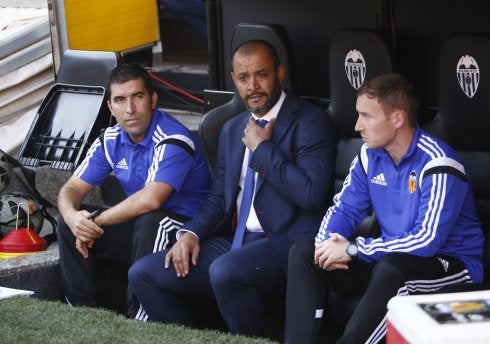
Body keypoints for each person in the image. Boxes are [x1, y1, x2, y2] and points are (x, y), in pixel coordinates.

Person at [128, 39, 338, 337]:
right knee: (143, 274)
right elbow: (218, 197)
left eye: (261, 75)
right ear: (234, 80)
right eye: (243, 78)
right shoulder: (231, 128)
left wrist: (263, 149)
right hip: (235, 242)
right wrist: (191, 232)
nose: (252, 85)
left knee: (227, 270)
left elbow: (310, 193)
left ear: (279, 73)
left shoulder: (311, 122)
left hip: (287, 244)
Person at [284, 73, 485, 343]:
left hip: (451, 267)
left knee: (393, 270)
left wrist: (354, 249)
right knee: (306, 253)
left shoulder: (438, 163)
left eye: (367, 116)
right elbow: (343, 209)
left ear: (397, 118)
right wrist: (326, 245)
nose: (357, 126)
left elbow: (425, 242)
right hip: (390, 258)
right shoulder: (369, 154)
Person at [57, 64, 211, 319]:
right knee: (67, 222)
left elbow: (152, 200)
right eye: (120, 100)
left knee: (151, 220)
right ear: (110, 107)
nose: (130, 109)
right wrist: (75, 219)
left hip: (185, 231)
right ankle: (82, 314)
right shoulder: (110, 139)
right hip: (143, 230)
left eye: (137, 97)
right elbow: (71, 188)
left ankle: (139, 318)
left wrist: (96, 222)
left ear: (152, 99)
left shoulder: (172, 137)